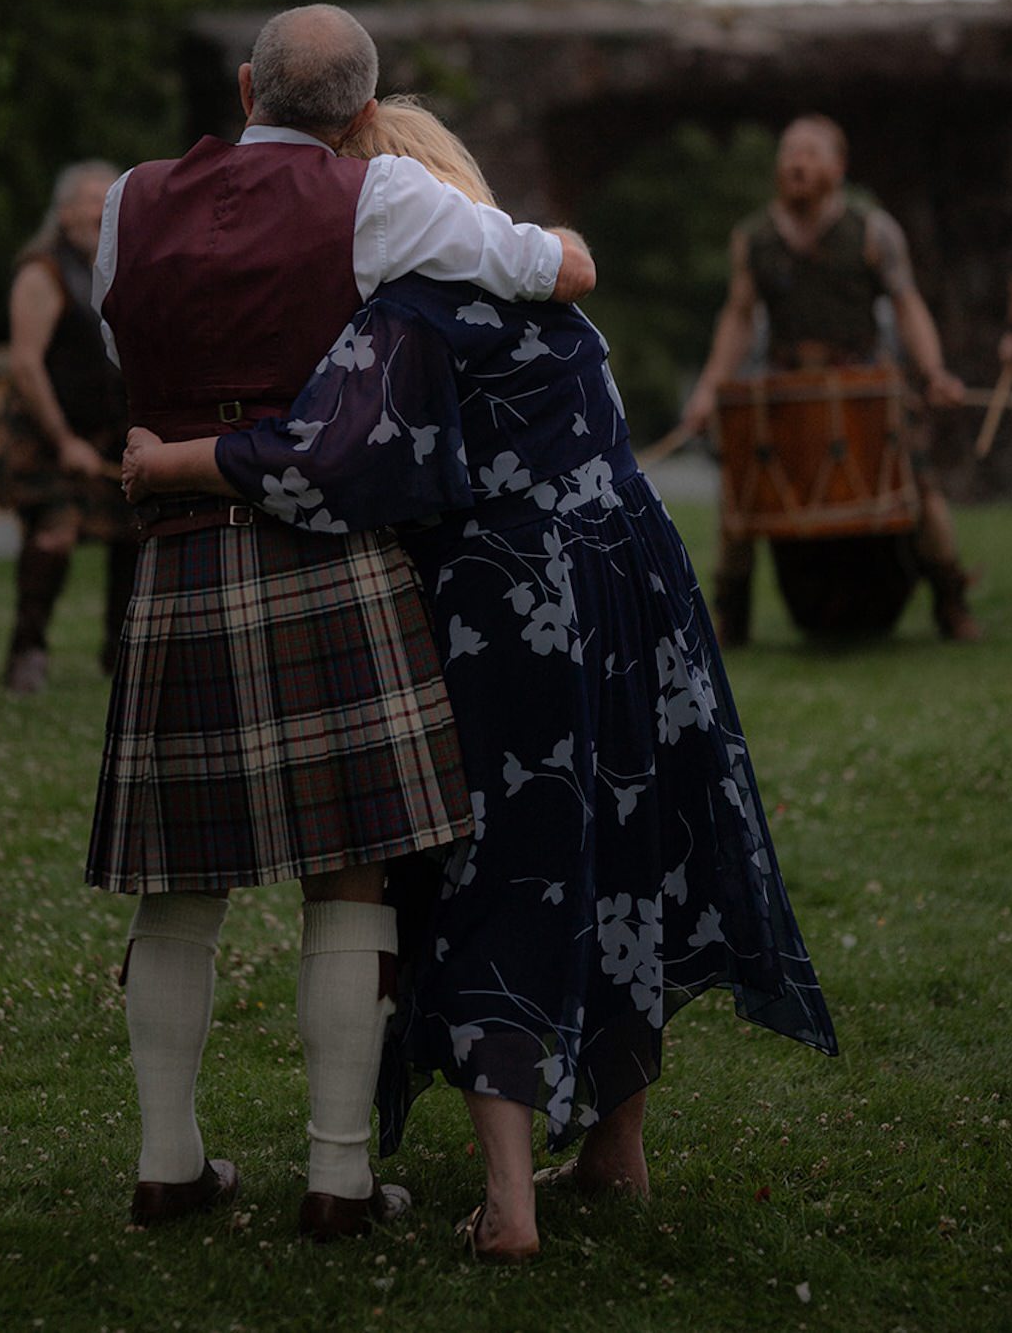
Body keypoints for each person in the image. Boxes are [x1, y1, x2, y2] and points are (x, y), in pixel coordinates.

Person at [123, 97, 838, 1264]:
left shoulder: (408, 315)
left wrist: (172, 462)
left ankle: (509, 1204)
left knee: (496, 868)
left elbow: (321, 463)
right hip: (633, 584)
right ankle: (612, 1151)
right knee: (619, 853)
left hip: (512, 606)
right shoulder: (545, 294)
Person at [86, 9, 597, 1243]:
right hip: (330, 556)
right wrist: (565, 244)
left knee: (179, 876)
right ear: (365, 115)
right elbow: (546, 269)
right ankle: (337, 1180)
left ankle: (166, 1165)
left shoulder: (127, 201)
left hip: (179, 554)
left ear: (245, 87)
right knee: (351, 871)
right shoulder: (378, 197)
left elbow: (122, 344)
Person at [682, 115, 977, 644]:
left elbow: (907, 304)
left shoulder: (873, 230)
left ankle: (951, 602)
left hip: (863, 390)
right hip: (785, 393)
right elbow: (739, 317)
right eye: (788, 153)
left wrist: (933, 372)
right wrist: (708, 389)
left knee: (921, 489)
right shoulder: (753, 237)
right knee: (741, 495)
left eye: (810, 153)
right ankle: (731, 618)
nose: (795, 163)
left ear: (838, 167)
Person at [0, 161, 135, 694]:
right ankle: (27, 653)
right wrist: (64, 441)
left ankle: (122, 654)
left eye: (108, 199)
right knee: (54, 533)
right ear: (65, 210)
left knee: (134, 535)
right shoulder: (42, 271)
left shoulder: (124, 265)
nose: (100, 210)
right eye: (91, 199)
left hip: (111, 431)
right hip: (46, 432)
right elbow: (25, 366)